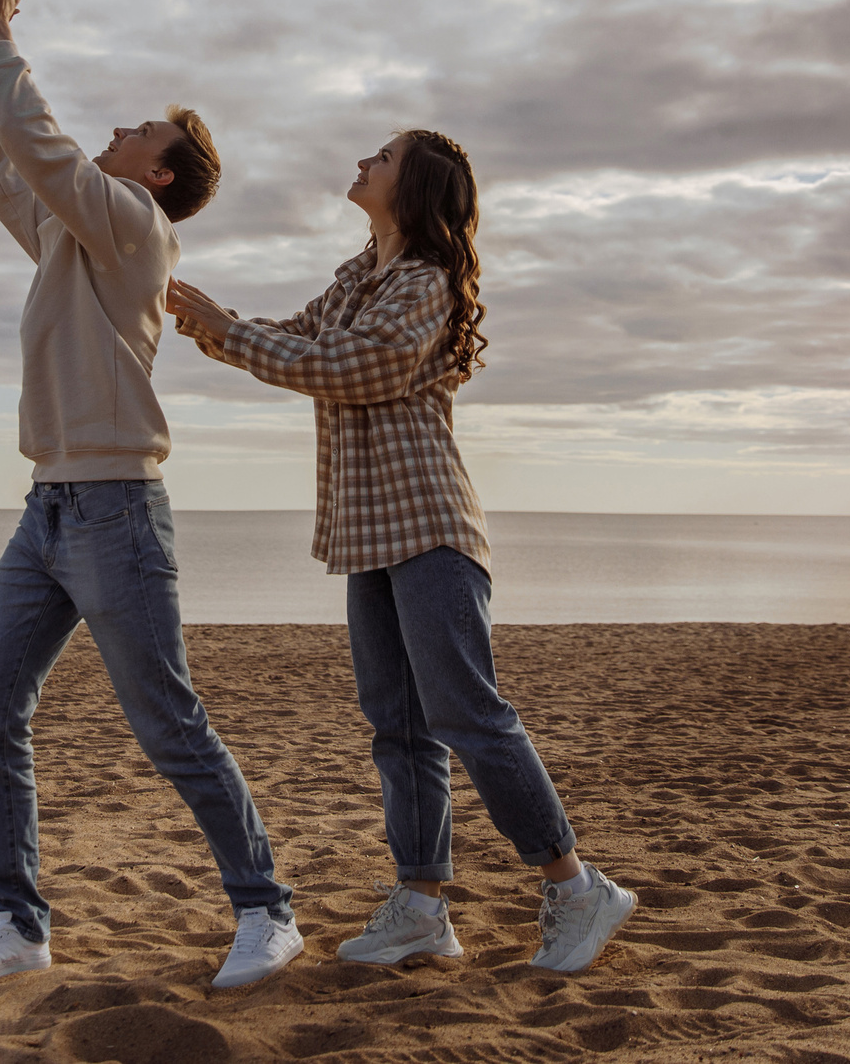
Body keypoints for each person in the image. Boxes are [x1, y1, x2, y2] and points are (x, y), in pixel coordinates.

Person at [167, 131, 637, 975]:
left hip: (430, 525)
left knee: (468, 716)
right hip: (368, 532)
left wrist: (227, 331)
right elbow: (300, 336)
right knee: (400, 728)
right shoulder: (358, 277)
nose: (362, 162)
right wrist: (210, 322)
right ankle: (422, 906)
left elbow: (351, 367)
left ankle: (578, 886)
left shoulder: (425, 282)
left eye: (379, 157)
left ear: (412, 186)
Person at [0, 0, 299, 995]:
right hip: (45, 509)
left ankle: (267, 911)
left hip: (117, 512)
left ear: (158, 172)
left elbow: (42, 150)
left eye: (142, 129)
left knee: (168, 722)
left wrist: (5, 39)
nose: (122, 129)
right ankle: (17, 922)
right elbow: (2, 166)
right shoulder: (69, 234)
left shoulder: (133, 225)